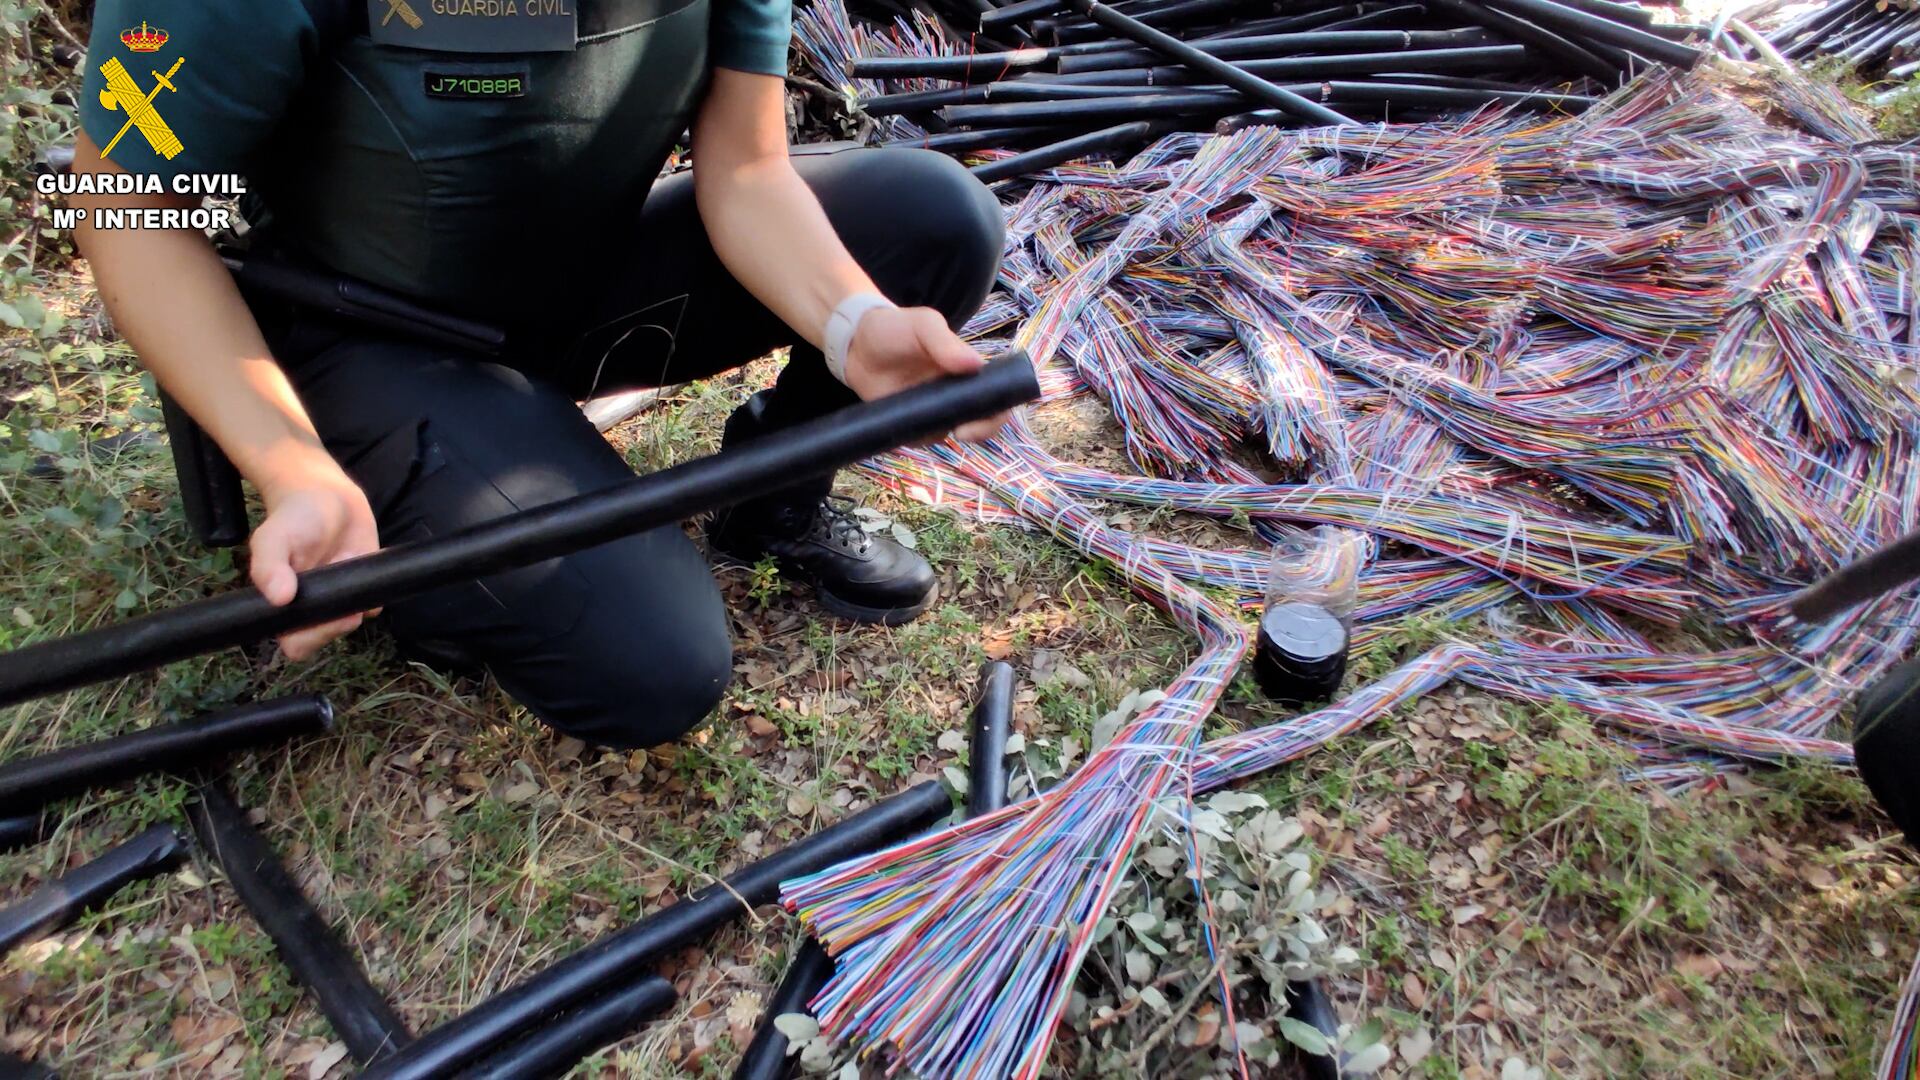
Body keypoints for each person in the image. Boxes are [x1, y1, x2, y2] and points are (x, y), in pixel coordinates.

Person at [70, 0, 1007, 749]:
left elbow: (750, 171)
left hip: (575, 286)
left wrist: (854, 326)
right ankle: (417, 533)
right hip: (364, 334)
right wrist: (289, 462)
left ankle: (774, 507)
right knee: (656, 666)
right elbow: (125, 208)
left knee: (936, 220)